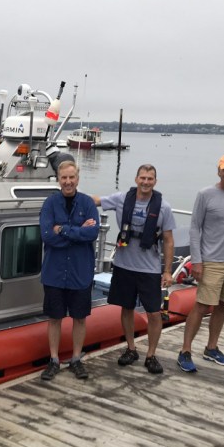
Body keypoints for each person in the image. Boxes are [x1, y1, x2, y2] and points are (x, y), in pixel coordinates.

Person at [93, 164, 175, 374]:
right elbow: (97, 201)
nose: (146, 182)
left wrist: (167, 271)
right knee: (126, 308)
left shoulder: (163, 207)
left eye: (150, 179)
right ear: (136, 179)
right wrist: (68, 193)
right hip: (123, 265)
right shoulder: (122, 199)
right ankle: (131, 348)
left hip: (149, 268)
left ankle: (151, 354)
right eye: (143, 178)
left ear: (155, 181)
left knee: (154, 313)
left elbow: (168, 239)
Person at [177, 153, 224, 373]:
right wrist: (197, 261)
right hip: (211, 261)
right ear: (219, 171)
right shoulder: (205, 194)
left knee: (223, 306)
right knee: (201, 306)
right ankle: (185, 351)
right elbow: (194, 228)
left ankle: (211, 348)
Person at [39, 160, 100, 381]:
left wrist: (63, 230)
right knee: (54, 318)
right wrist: (76, 233)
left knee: (79, 318)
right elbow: (46, 235)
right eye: (64, 177)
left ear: (78, 178)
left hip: (80, 272)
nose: (68, 182)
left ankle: (76, 358)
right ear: (58, 179)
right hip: (54, 273)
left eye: (71, 177)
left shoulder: (88, 203)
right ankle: (53, 359)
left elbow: (92, 233)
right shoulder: (49, 204)